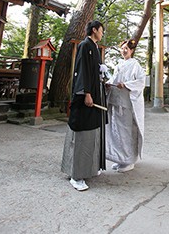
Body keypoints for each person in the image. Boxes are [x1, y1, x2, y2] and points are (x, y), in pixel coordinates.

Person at [61, 20, 107, 191]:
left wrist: (102, 73)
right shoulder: (84, 45)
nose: (102, 33)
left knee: (92, 133)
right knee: (81, 135)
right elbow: (82, 70)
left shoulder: (94, 47)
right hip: (86, 97)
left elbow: (93, 71)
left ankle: (88, 169)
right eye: (101, 30)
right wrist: (86, 92)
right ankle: (76, 175)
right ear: (94, 30)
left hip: (94, 95)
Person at [106, 39, 146, 173]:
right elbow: (114, 79)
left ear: (132, 50)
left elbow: (141, 82)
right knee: (117, 132)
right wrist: (108, 83)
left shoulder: (135, 65)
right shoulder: (119, 64)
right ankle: (120, 159)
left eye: (126, 49)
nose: (123, 51)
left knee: (127, 132)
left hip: (128, 104)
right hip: (117, 102)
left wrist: (126, 85)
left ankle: (129, 161)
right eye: (122, 48)